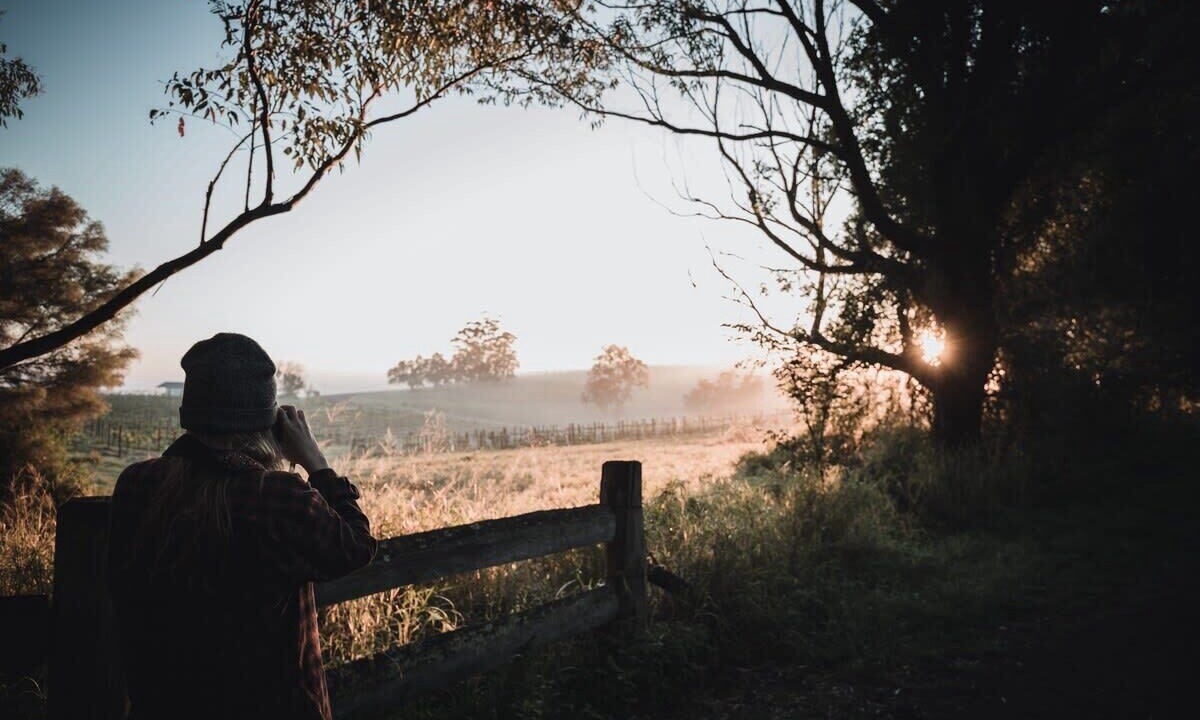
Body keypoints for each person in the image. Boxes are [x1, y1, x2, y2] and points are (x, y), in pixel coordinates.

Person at [107, 333, 377, 720]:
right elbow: (355, 547)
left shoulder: (137, 485)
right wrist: (316, 462)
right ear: (268, 423)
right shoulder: (276, 496)